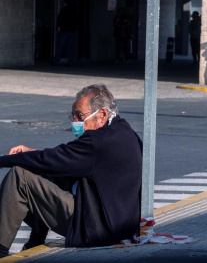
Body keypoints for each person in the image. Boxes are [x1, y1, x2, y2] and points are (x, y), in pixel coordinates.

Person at [0, 84, 142, 258]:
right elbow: (60, 161)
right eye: (73, 116)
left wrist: (4, 160)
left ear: (102, 114)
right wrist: (32, 153)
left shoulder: (98, 141)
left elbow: (54, 159)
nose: (75, 122)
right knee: (44, 173)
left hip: (96, 229)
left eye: (79, 116)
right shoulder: (125, 132)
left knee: (20, 177)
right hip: (119, 227)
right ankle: (34, 242)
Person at [54, 0, 79, 67]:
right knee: (71, 48)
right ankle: (71, 62)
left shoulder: (63, 10)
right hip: (72, 30)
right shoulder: (74, 10)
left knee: (60, 46)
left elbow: (59, 19)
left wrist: (58, 27)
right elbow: (77, 20)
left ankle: (57, 60)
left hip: (64, 30)